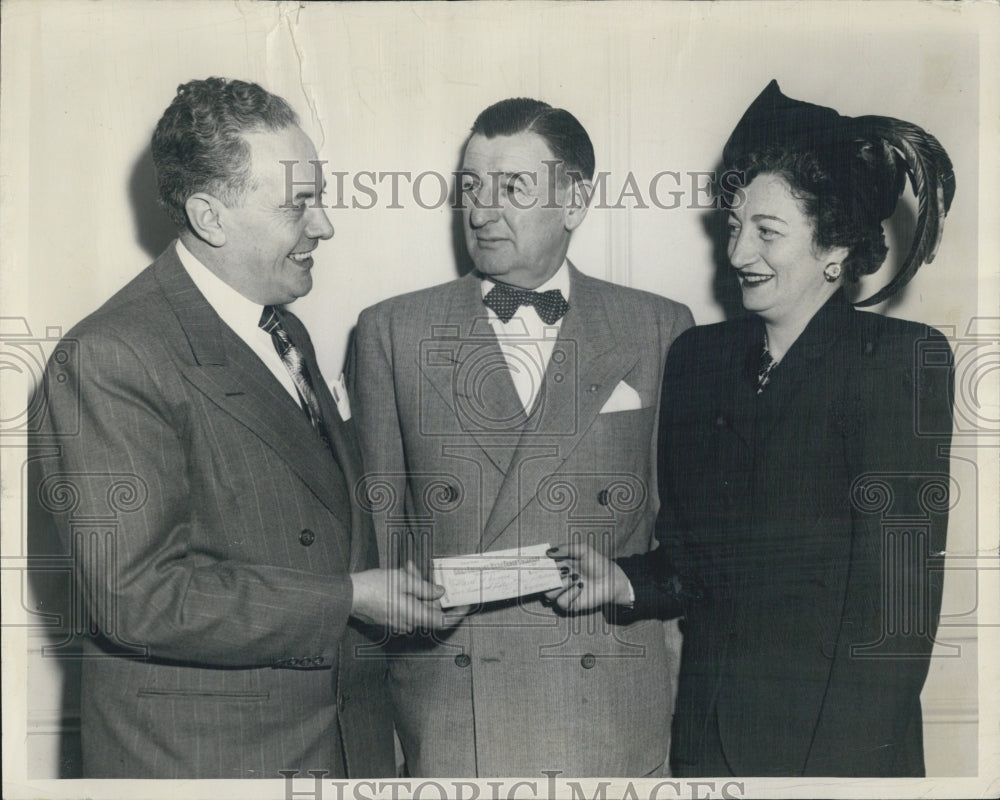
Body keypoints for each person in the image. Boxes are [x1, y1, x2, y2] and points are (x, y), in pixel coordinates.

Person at [33, 77, 454, 779]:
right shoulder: (109, 357)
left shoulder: (281, 328)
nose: (324, 226)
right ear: (210, 216)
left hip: (332, 745)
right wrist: (352, 596)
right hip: (212, 763)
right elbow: (138, 598)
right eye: (298, 205)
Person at [548, 80, 956, 777]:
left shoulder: (897, 363)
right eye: (733, 226)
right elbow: (697, 565)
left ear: (835, 249)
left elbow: (897, 620)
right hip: (707, 745)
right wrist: (623, 580)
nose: (737, 253)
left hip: (835, 754)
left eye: (767, 232)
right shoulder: (699, 358)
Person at [349, 97, 694, 778]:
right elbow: (382, 532)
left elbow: (676, 538)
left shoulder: (658, 327)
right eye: (471, 187)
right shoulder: (394, 332)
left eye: (512, 188)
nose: (481, 211)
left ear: (574, 201)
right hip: (455, 705)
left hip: (610, 706)